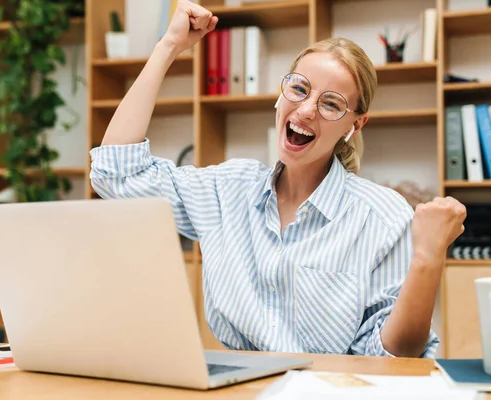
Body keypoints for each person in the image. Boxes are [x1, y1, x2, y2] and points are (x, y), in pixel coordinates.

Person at [89, 0, 466, 358]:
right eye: (299, 88)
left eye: (331, 104)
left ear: (355, 124)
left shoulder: (380, 215)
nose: (305, 110)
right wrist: (169, 46)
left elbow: (394, 355)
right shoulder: (228, 189)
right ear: (281, 93)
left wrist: (427, 259)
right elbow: (116, 175)